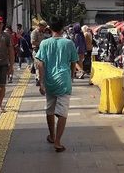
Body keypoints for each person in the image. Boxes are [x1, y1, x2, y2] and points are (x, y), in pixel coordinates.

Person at [36, 16, 78, 153]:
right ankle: (58, 142)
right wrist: (71, 76)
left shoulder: (44, 43)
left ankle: (52, 136)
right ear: (62, 28)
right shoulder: (68, 43)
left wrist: (41, 82)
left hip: (49, 81)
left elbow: (40, 63)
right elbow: (73, 62)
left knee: (49, 109)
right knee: (62, 112)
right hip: (64, 80)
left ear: (50, 28)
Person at [31, 20, 47, 86]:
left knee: (42, 65)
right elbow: (33, 42)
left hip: (42, 51)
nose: (44, 28)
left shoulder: (42, 33)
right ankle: (38, 79)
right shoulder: (34, 32)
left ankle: (41, 79)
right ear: (40, 26)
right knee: (37, 65)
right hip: (36, 50)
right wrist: (42, 44)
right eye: (44, 27)